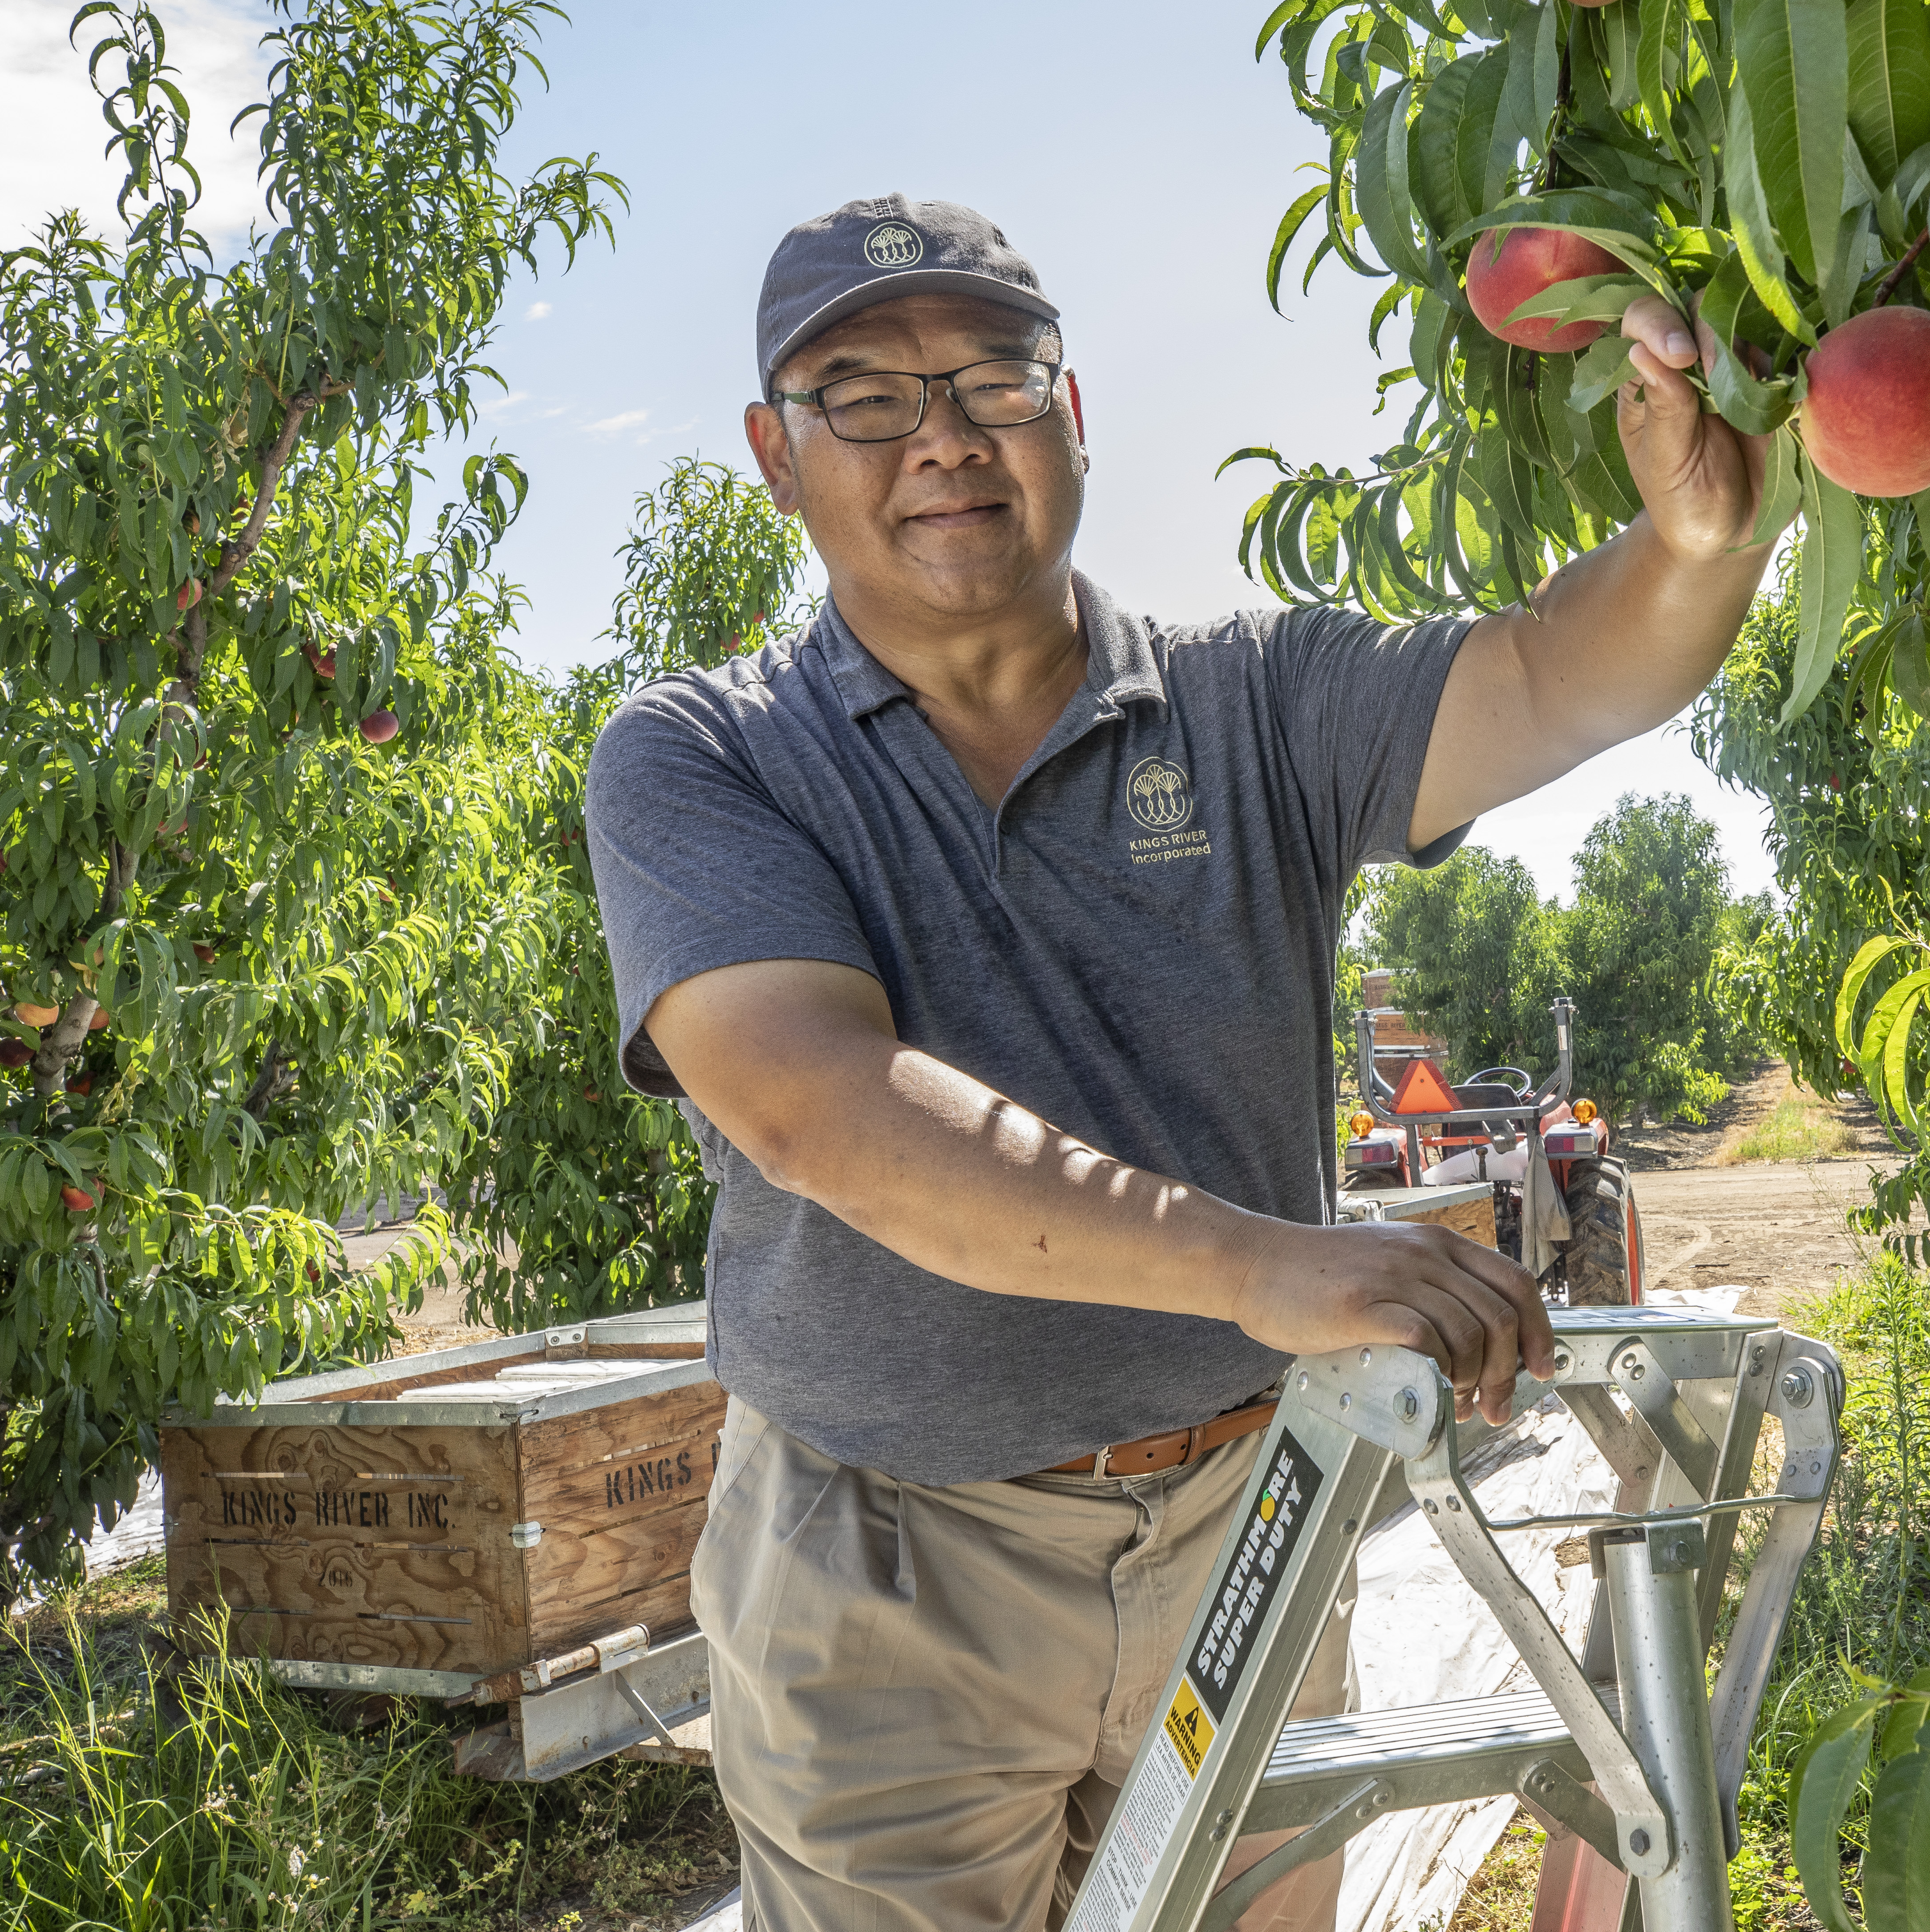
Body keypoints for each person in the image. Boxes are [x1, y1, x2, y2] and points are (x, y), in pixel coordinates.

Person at [584, 194, 1778, 1932]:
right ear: (776, 455)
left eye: (992, 380)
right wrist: (1257, 1259)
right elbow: (818, 1111)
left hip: (1246, 1523)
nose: (942, 440)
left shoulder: (1255, 701)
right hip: (884, 1565)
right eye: (865, 397)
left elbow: (1546, 674)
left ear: (1072, 415)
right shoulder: (712, 754)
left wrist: (1692, 543)